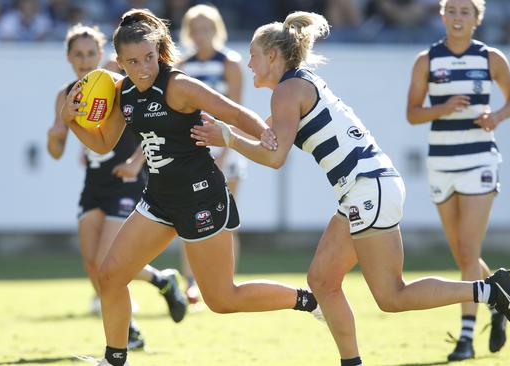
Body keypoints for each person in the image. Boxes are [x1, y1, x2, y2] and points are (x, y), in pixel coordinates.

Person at [190, 11, 510, 366]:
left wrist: (226, 137)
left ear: (272, 56)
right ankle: (352, 362)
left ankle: (491, 291)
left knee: (391, 295)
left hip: (368, 188)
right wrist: (224, 129)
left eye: (253, 55)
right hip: (366, 188)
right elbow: (267, 135)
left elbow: (274, 158)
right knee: (322, 280)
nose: (248, 63)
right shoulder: (295, 85)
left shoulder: (288, 90)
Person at [60, 9, 322, 366]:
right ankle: (115, 359)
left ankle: (307, 300)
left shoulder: (178, 85)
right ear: (118, 63)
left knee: (222, 299)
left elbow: (233, 112)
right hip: (158, 199)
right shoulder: (123, 93)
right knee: (110, 276)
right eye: (133, 61)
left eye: (149, 58)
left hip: (202, 196)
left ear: (158, 53)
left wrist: (268, 136)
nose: (143, 68)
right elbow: (104, 143)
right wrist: (70, 120)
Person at [46, 23, 187, 351]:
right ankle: (159, 283)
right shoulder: (65, 94)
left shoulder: (118, 83)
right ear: (68, 56)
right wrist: (55, 133)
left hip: (125, 182)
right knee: (93, 265)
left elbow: (150, 122)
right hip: (93, 185)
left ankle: (127, 333)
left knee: (110, 259)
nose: (84, 60)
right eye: (78, 54)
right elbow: (56, 151)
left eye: (90, 53)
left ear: (102, 54)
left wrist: (137, 161)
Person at [405, 0, 510, 361]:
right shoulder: (427, 60)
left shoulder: (491, 58)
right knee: (461, 251)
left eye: (465, 11)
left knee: (469, 251)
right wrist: (441, 108)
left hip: (479, 160)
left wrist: (497, 116)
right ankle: (498, 297)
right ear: (442, 16)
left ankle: (466, 339)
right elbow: (412, 114)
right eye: (451, 10)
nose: (457, 17)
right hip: (441, 162)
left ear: (477, 18)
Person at [177, 4, 248, 304]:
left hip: (227, 148)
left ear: (216, 30)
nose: (201, 34)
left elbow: (236, 113)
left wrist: (222, 151)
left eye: (207, 28)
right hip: (193, 151)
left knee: (226, 217)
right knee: (189, 218)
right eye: (195, 28)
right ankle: (191, 282)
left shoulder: (230, 62)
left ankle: (224, 281)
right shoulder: (182, 64)